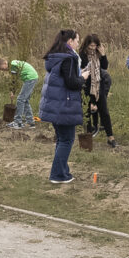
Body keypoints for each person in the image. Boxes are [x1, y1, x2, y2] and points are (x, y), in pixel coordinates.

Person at [39, 29, 84, 184]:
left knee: (62, 139)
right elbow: (72, 83)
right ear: (70, 41)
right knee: (67, 140)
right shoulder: (69, 58)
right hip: (64, 106)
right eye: (77, 40)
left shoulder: (55, 57)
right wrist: (83, 77)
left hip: (54, 106)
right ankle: (57, 175)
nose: (78, 43)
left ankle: (62, 172)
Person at [80, 35, 115, 146]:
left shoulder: (98, 54)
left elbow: (104, 67)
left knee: (104, 112)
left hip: (99, 86)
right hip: (86, 87)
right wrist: (92, 101)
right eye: (91, 46)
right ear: (87, 45)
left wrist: (103, 54)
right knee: (87, 113)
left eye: (95, 46)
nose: (93, 48)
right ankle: (87, 140)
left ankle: (111, 138)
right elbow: (84, 74)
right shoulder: (82, 55)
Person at [0, 55, 40, 130]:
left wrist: (12, 92)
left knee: (20, 99)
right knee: (25, 101)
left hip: (30, 78)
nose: (3, 70)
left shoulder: (13, 65)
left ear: (4, 63)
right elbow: (14, 79)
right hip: (31, 77)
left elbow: (14, 80)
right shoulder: (13, 64)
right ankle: (30, 122)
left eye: (2, 68)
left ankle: (18, 122)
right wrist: (12, 91)